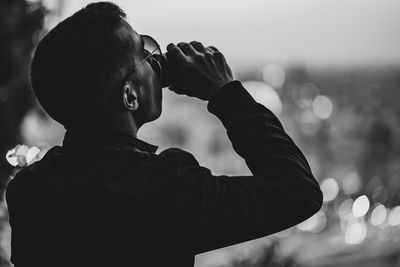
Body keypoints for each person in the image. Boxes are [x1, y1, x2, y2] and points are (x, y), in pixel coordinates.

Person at [6, 2, 322, 266]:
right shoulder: (166, 187)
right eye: (143, 52)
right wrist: (225, 92)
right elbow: (298, 192)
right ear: (129, 96)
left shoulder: (29, 190)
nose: (156, 61)